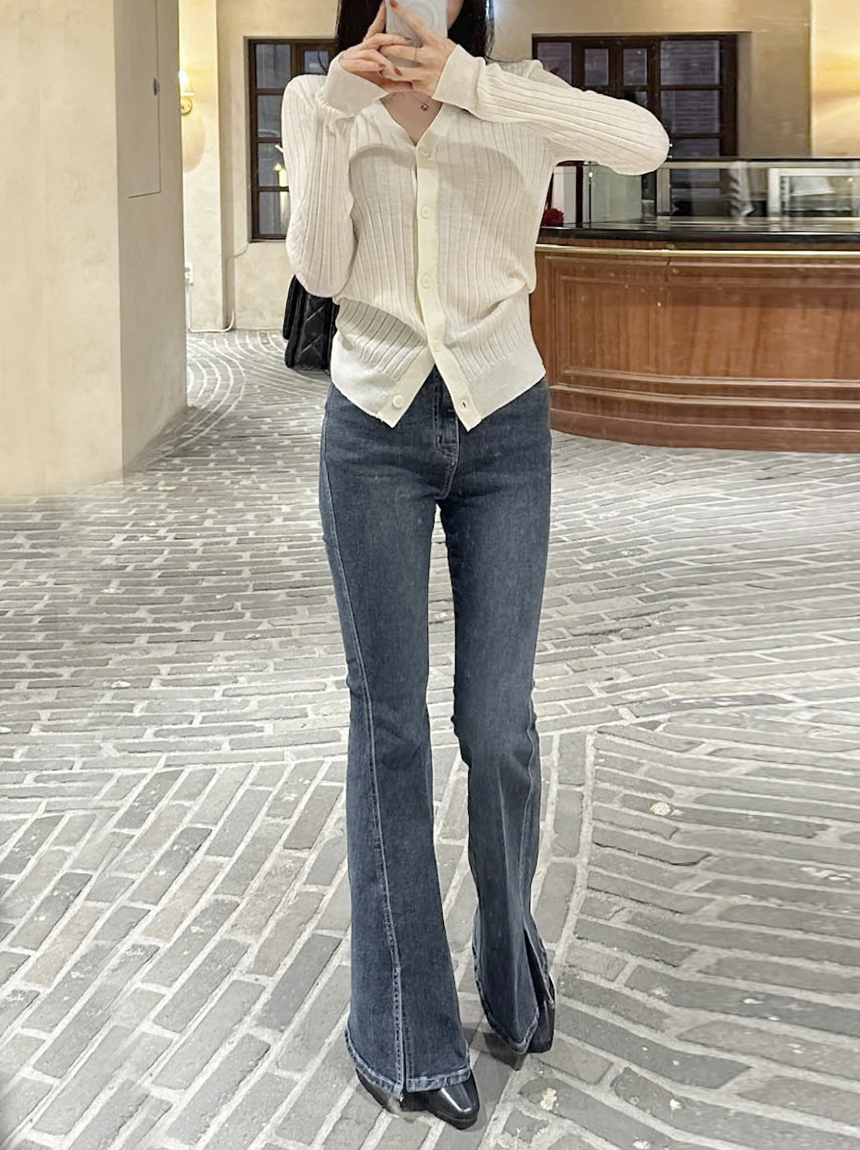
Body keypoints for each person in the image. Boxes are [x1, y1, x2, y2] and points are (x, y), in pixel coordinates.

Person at [281, 0, 669, 1130]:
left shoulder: (516, 95)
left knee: (498, 723)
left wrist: (471, 83)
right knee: (388, 723)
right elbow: (321, 268)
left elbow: (643, 146)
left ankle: (509, 968)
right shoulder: (318, 101)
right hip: (372, 427)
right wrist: (336, 112)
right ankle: (401, 1029)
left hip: (502, 422)